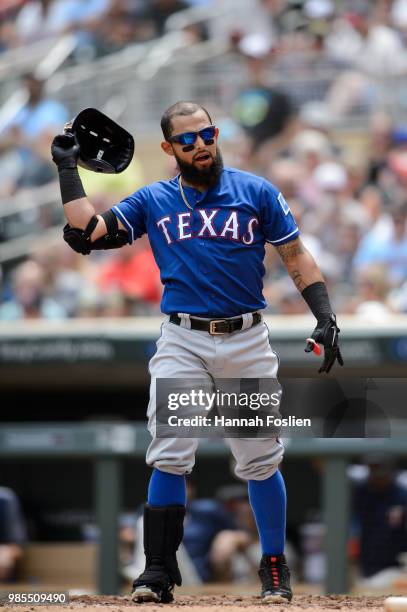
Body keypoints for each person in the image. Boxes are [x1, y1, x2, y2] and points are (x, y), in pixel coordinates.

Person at [51, 101, 343, 604]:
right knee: (169, 452)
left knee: (259, 458)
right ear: (169, 148)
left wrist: (324, 313)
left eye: (205, 134)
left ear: (216, 133)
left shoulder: (256, 190)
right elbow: (88, 233)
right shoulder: (155, 199)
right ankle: (157, 572)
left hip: (246, 340)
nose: (200, 145)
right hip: (183, 339)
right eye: (186, 140)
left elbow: (294, 254)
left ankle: (274, 566)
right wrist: (66, 169)